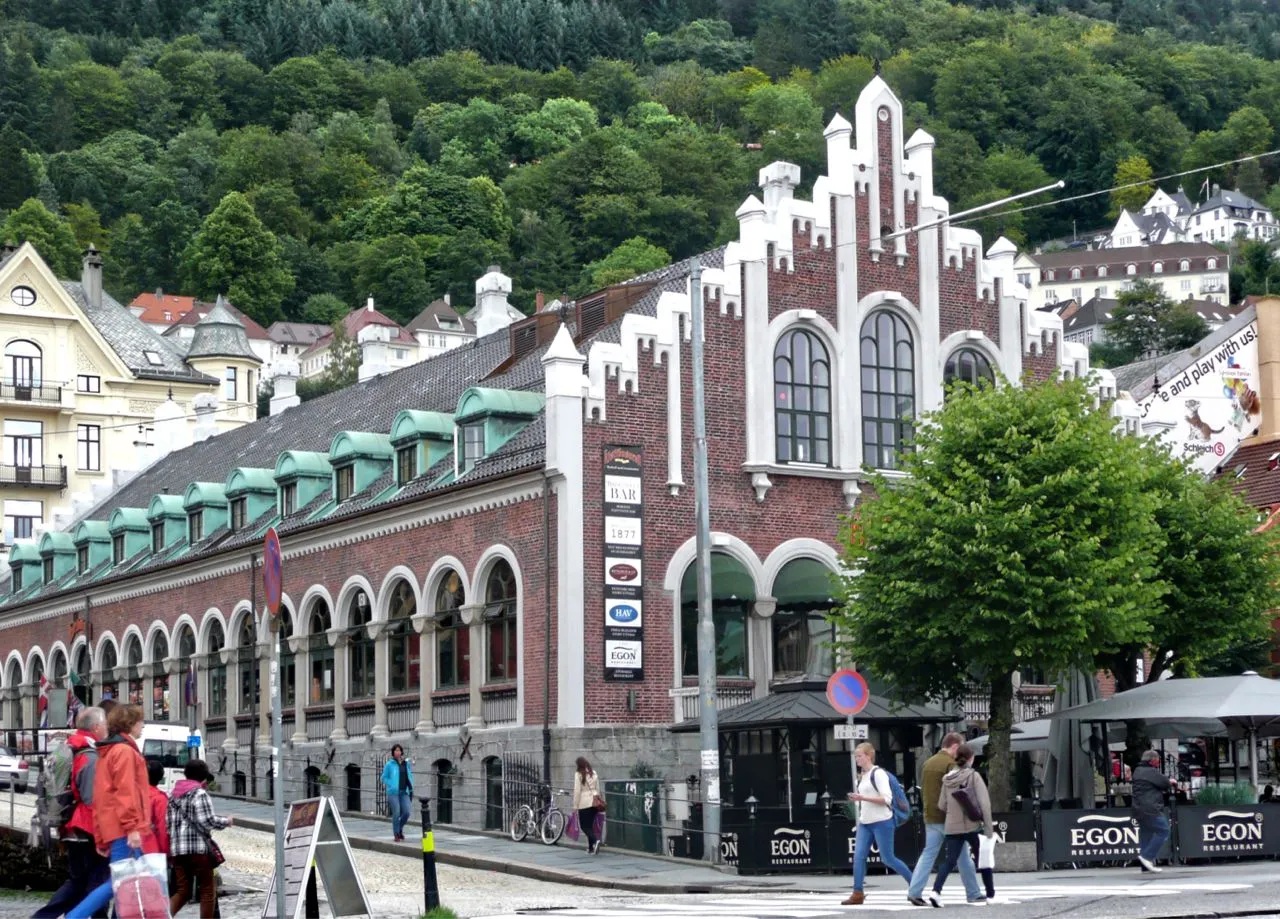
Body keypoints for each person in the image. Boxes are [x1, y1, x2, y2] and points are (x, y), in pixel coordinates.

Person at [65, 703, 150, 919]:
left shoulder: (108, 752)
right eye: (141, 722)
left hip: (116, 828)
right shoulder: (124, 752)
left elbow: (102, 798)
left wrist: (102, 836)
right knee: (119, 883)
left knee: (126, 884)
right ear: (130, 724)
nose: (143, 726)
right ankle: (74, 916)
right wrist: (132, 828)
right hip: (126, 829)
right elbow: (126, 792)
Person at [32, 706, 110, 919]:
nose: (107, 728)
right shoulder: (89, 755)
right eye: (104, 724)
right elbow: (91, 798)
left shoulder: (69, 748)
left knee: (81, 882)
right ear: (96, 727)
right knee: (94, 883)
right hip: (86, 830)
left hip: (71, 827)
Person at [907, 732, 984, 907]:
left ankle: (914, 892)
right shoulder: (950, 765)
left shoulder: (928, 763)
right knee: (963, 856)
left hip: (931, 816)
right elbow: (959, 793)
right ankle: (973, 892)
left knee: (928, 855)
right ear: (955, 747)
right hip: (950, 819)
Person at [843, 743, 913, 907]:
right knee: (859, 857)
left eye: (859, 755)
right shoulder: (863, 775)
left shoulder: (878, 774)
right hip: (865, 822)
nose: (857, 758)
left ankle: (915, 884)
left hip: (882, 821)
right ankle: (857, 893)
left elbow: (886, 799)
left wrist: (862, 798)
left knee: (888, 858)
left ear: (868, 756)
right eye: (856, 756)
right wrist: (859, 798)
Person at [931, 743, 993, 907]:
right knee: (983, 859)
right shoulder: (974, 777)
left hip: (952, 826)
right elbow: (984, 804)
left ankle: (936, 891)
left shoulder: (947, 779)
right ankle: (990, 893)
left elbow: (941, 805)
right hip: (972, 825)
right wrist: (988, 828)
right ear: (971, 759)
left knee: (950, 861)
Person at [169, 759, 233, 918]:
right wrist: (227, 821)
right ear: (203, 778)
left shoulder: (172, 796)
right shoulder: (199, 793)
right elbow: (207, 821)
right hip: (198, 851)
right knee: (207, 890)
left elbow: (167, 824)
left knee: (183, 891)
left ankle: (162, 916)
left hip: (178, 851)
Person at [1131, 749, 1174, 873]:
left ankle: (1145, 866)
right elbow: (1165, 783)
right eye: (1158, 759)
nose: (1159, 762)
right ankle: (1146, 856)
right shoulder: (1150, 771)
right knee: (1164, 830)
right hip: (1150, 808)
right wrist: (1171, 782)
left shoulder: (1138, 771)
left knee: (1146, 834)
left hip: (1138, 808)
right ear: (1152, 760)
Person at [380, 744, 414, 842]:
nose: (398, 752)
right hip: (393, 793)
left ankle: (399, 828)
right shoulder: (389, 764)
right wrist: (391, 784)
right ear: (393, 752)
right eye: (396, 750)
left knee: (407, 812)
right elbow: (383, 777)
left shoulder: (405, 763)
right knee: (397, 812)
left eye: (399, 750)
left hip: (404, 792)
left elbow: (409, 776)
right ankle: (396, 833)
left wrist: (411, 786)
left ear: (401, 752)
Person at [573, 757, 603, 855]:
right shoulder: (593, 773)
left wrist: (575, 806)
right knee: (590, 825)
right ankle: (590, 848)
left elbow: (577, 791)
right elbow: (598, 788)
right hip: (595, 802)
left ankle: (595, 841)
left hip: (585, 803)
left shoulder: (578, 774)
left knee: (584, 826)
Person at [145, 758, 170, 856]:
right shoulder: (160, 798)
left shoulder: (133, 794)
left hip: (130, 846)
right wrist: (165, 851)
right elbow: (162, 826)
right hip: (152, 848)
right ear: (160, 777)